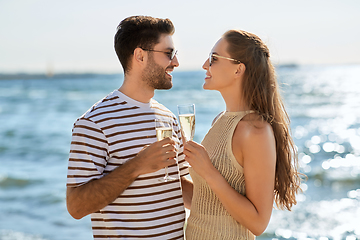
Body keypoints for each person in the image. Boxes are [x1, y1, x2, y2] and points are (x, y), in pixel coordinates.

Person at [66, 15, 192, 239]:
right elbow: (76, 207)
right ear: (140, 55)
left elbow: (182, 189)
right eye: (168, 53)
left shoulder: (169, 118)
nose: (176, 62)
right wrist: (137, 165)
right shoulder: (94, 123)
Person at [183, 30, 302, 239]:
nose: (204, 65)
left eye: (214, 58)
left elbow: (258, 222)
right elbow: (207, 202)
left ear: (238, 69)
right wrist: (163, 171)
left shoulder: (255, 131)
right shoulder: (220, 120)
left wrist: (209, 172)